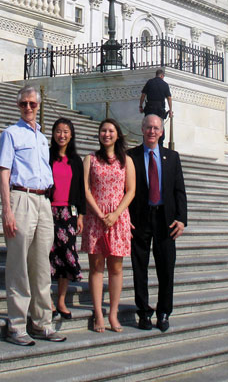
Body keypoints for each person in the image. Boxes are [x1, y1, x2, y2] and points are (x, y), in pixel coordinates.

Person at [0, 85, 66, 346]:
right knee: (18, 265)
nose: (28, 108)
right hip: (21, 197)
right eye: (24, 104)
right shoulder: (10, 133)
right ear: (18, 106)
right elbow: (4, 172)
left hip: (43, 200)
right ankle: (17, 324)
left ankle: (41, 323)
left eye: (32, 104)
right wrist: (7, 210)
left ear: (39, 106)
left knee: (40, 266)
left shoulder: (41, 137)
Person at [128, 114, 187, 333]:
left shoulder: (172, 157)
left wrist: (182, 219)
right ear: (142, 129)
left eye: (156, 128)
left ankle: (164, 312)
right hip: (140, 218)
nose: (152, 131)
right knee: (139, 268)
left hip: (166, 219)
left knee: (166, 268)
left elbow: (179, 190)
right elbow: (125, 190)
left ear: (161, 132)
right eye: (148, 127)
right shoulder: (130, 156)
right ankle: (143, 312)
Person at [81, 118, 135, 333]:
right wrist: (99, 212)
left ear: (117, 134)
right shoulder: (90, 159)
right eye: (103, 130)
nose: (106, 134)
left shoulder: (126, 161)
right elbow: (85, 189)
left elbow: (130, 190)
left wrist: (116, 214)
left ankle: (112, 313)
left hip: (118, 217)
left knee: (116, 267)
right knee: (96, 267)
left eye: (110, 130)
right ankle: (98, 313)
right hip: (96, 216)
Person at [49, 117, 86, 319]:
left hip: (68, 213)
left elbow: (80, 189)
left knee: (65, 255)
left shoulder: (75, 160)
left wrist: (81, 214)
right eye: (58, 131)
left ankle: (61, 301)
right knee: (47, 257)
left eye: (66, 131)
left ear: (71, 135)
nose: (61, 135)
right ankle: (46, 301)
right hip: (48, 211)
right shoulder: (47, 156)